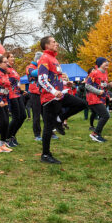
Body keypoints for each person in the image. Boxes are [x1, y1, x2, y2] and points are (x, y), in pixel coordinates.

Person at [38, 36, 86, 164]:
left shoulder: (54, 58)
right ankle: (45, 155)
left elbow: (54, 77)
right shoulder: (44, 58)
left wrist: (66, 82)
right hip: (49, 98)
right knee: (48, 127)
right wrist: (54, 91)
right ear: (47, 45)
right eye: (54, 42)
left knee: (81, 104)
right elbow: (42, 79)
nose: (57, 44)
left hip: (60, 95)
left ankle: (59, 120)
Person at [85, 57, 111, 142]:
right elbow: (87, 85)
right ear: (100, 64)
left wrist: (108, 86)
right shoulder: (94, 73)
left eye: (107, 61)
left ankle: (97, 134)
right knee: (105, 115)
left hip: (101, 98)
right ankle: (95, 134)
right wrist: (97, 91)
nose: (107, 63)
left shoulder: (105, 73)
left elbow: (103, 86)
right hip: (93, 98)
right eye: (104, 62)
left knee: (103, 116)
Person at [5, 52, 26, 147]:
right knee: (16, 117)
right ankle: (7, 138)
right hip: (11, 96)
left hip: (18, 95)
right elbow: (5, 84)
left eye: (13, 56)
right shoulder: (6, 70)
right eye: (11, 57)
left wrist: (21, 91)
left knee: (23, 116)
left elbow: (15, 84)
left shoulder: (13, 69)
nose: (13, 58)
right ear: (6, 59)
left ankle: (13, 135)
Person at [26, 52, 43, 141]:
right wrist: (44, 67)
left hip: (43, 93)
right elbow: (34, 74)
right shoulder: (30, 67)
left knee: (46, 114)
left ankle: (50, 132)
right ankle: (37, 134)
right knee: (36, 115)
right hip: (34, 93)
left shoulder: (40, 66)